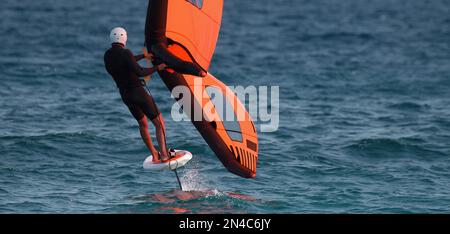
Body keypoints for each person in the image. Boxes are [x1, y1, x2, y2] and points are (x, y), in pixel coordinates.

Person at [104, 27, 170, 163]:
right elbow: (140, 72)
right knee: (159, 123)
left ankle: (154, 154)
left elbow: (126, 60)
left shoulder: (107, 55)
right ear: (124, 39)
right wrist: (157, 68)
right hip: (138, 92)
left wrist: (142, 56)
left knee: (143, 123)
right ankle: (164, 155)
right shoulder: (126, 53)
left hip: (125, 95)